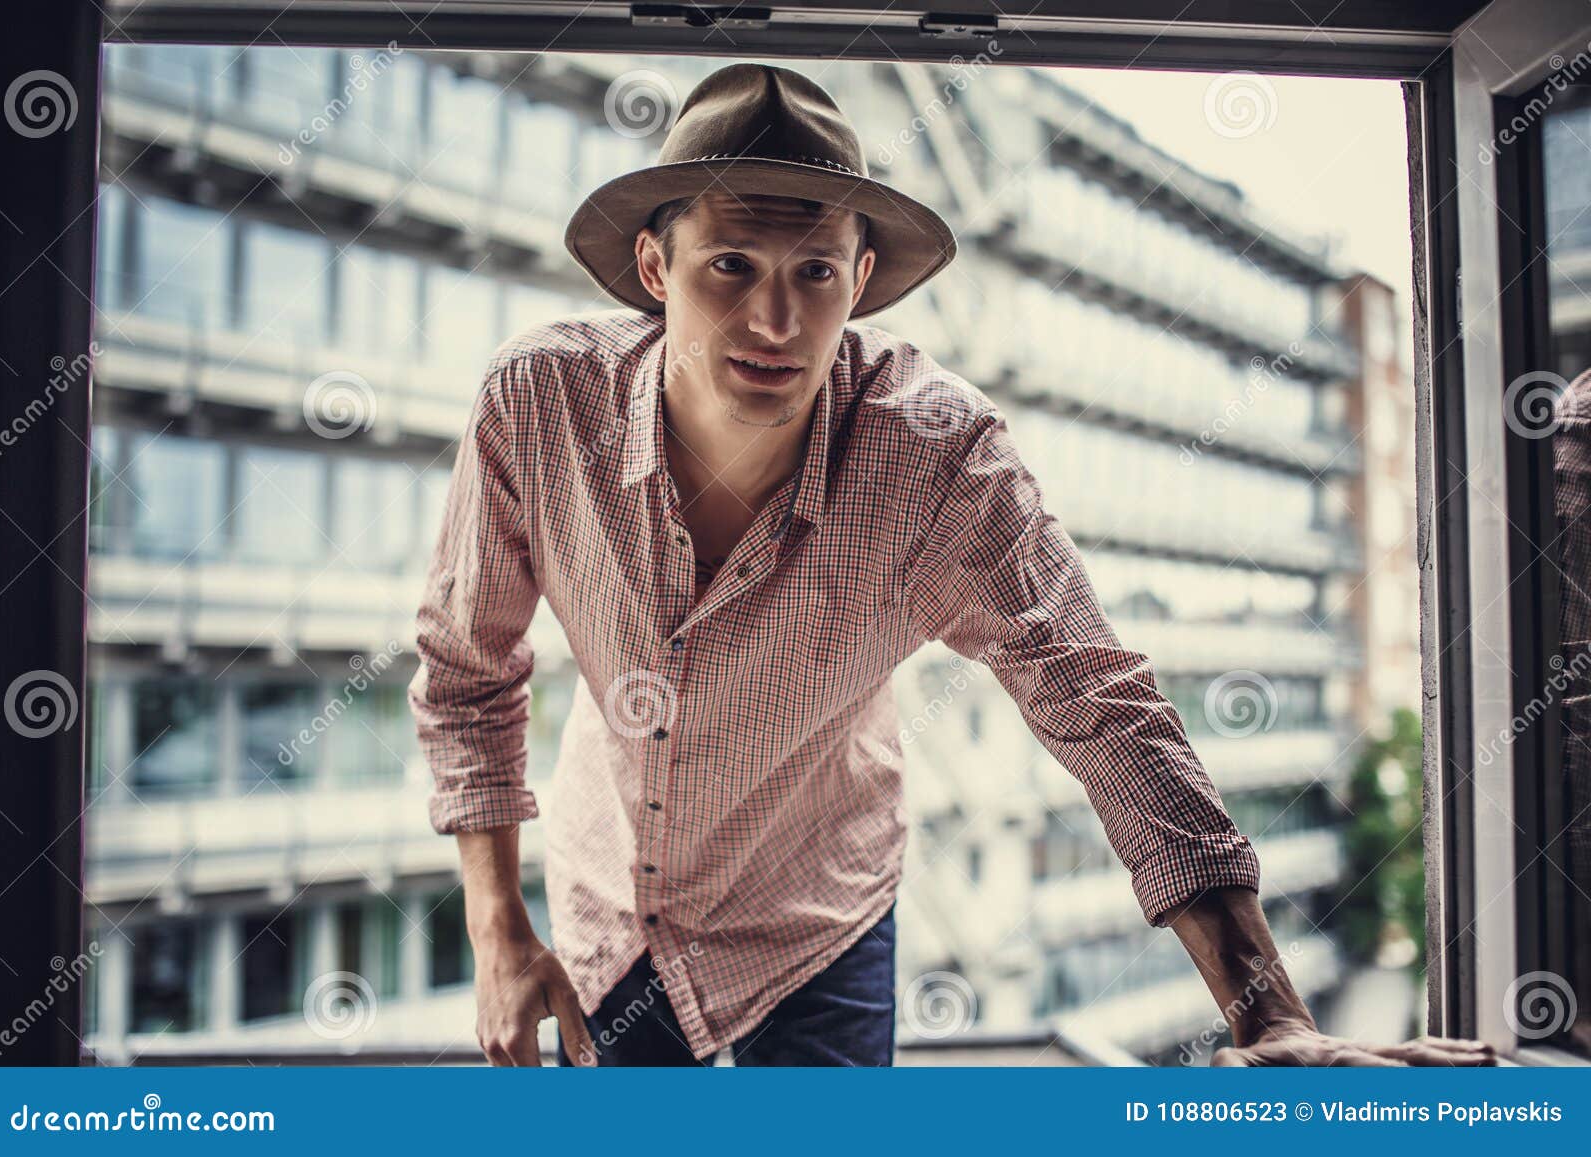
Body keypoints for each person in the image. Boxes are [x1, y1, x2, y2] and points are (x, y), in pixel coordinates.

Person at [407, 61, 1496, 1068]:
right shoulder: (540, 405)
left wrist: (1269, 1012)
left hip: (817, 922)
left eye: (815, 273)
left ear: (863, 277)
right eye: (730, 266)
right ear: (656, 266)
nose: (774, 319)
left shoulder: (938, 459)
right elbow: (466, 669)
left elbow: (1099, 702)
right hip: (611, 912)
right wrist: (497, 928)